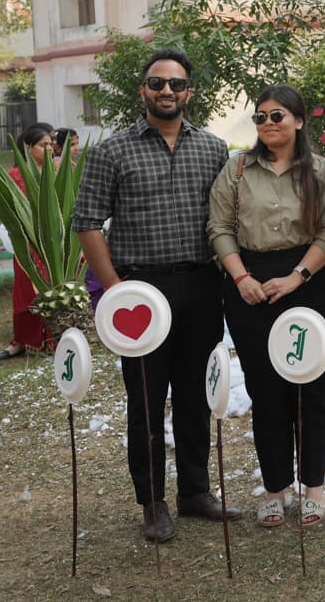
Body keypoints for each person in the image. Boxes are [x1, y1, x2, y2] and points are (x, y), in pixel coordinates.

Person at [72, 48, 238, 542]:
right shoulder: (111, 151)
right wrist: (117, 289)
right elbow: (86, 223)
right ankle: (153, 502)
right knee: (145, 399)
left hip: (201, 286)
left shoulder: (213, 149)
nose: (167, 91)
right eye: (157, 83)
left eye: (177, 84)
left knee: (194, 395)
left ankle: (194, 491)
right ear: (142, 90)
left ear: (190, 92)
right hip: (139, 291)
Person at [208, 85, 325, 528]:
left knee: (312, 389)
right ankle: (275, 487)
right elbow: (219, 227)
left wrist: (296, 277)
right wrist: (241, 277)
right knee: (265, 391)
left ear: (299, 121)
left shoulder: (324, 172)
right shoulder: (235, 170)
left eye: (278, 116)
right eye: (261, 117)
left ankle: (313, 486)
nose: (268, 124)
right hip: (250, 285)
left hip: (309, 283)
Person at [0, 123, 56, 360]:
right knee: (24, 294)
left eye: (51, 145)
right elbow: (8, 210)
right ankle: (20, 341)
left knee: (53, 289)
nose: (50, 149)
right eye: (44, 145)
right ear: (29, 147)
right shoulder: (14, 176)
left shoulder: (59, 172)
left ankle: (54, 340)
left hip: (53, 244)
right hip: (26, 244)